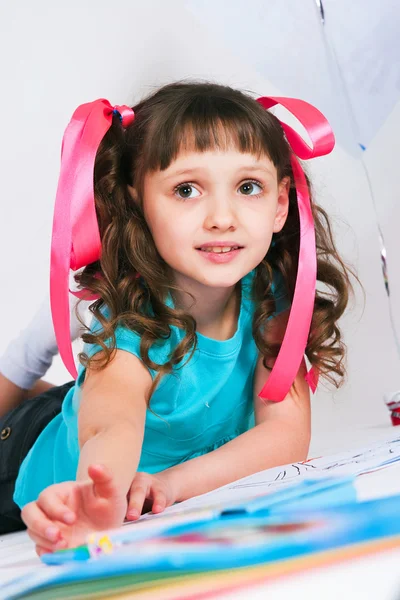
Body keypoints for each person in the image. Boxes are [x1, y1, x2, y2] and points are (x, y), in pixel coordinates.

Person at [0, 81, 353, 554]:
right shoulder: (129, 319)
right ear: (138, 203)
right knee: (44, 402)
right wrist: (95, 498)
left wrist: (170, 484)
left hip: (131, 426)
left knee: (75, 394)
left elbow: (285, 436)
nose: (222, 217)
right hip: (35, 458)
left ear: (281, 204)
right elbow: (113, 424)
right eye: (187, 190)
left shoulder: (272, 301)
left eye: (248, 187)